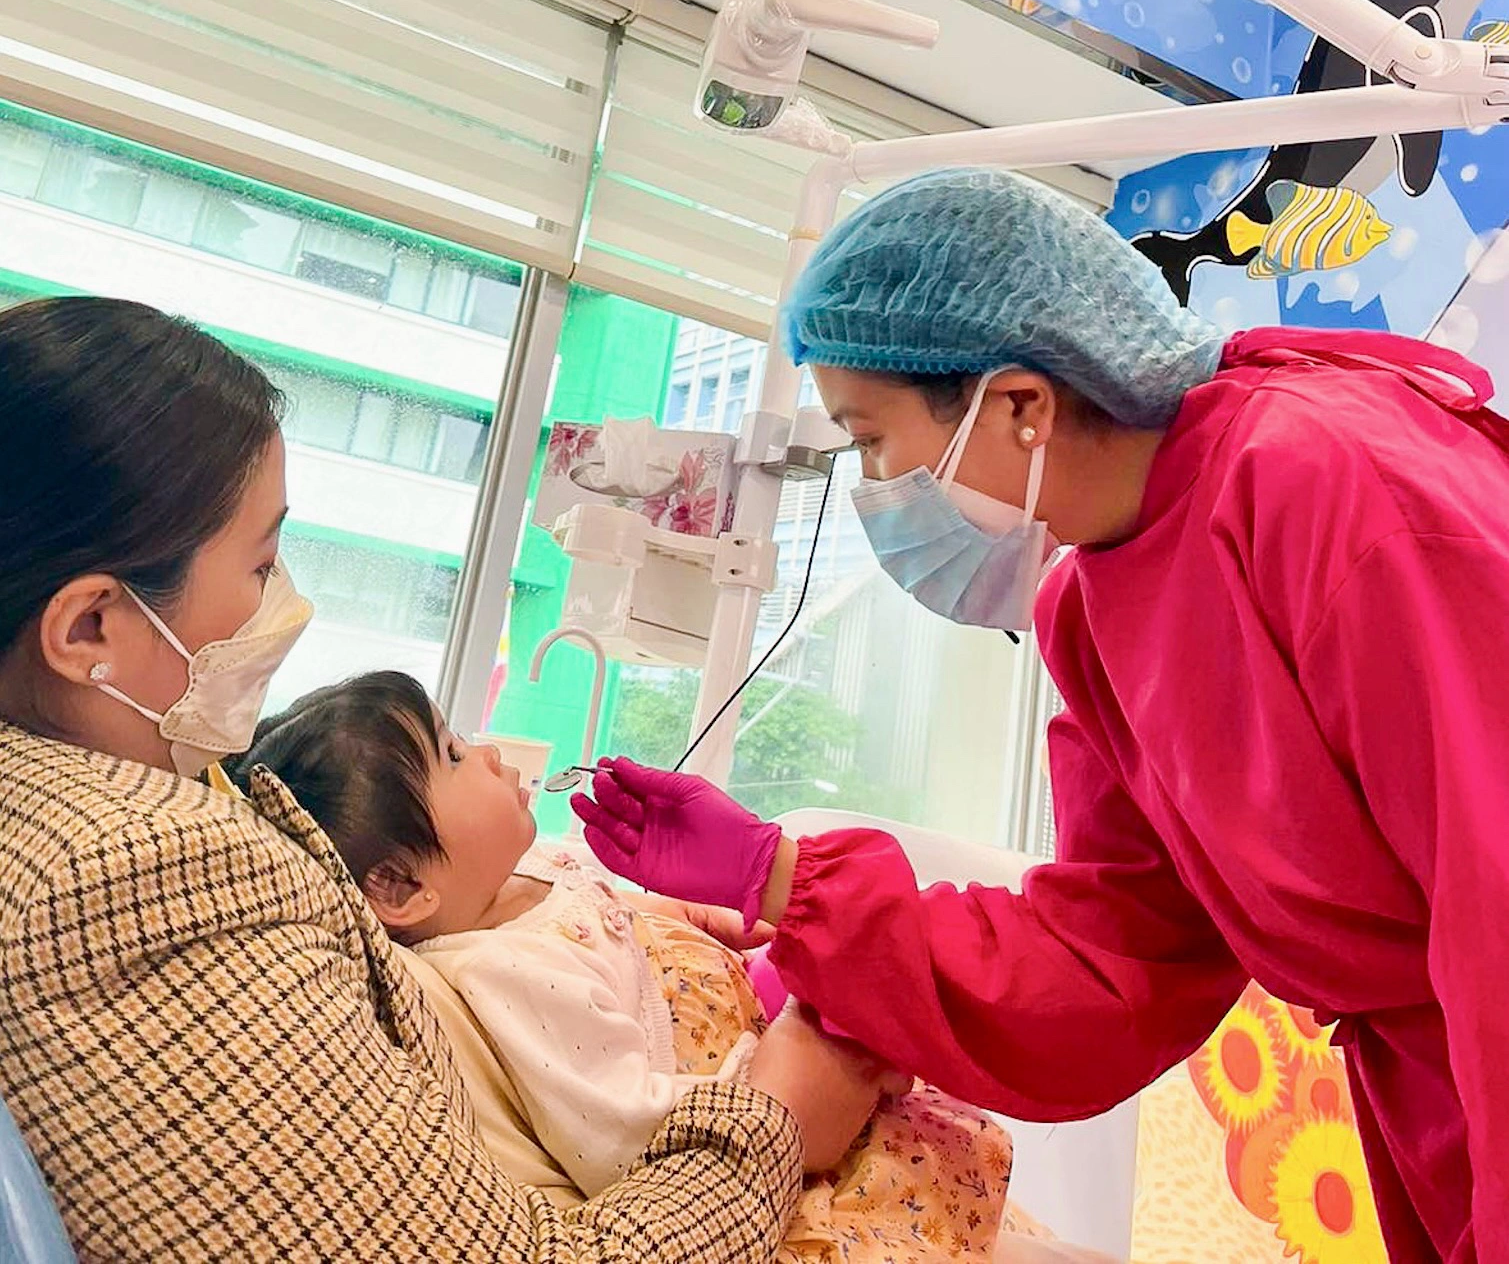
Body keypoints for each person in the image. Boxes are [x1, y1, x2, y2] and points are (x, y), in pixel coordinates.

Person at [573, 168, 1509, 1264]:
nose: (874, 488)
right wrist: (791, 886)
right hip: (1433, 1100)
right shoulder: (1092, 603)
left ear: (1020, 404)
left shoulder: (1333, 485)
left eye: (871, 442)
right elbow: (1114, 959)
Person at [0, 295, 890, 1263]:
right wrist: (779, 1118)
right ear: (89, 628)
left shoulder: (115, 796)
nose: (285, 602)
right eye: (261, 565)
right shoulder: (127, 881)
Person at [234, 670, 1024, 1264]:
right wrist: (792, 1057)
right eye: (452, 753)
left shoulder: (523, 871)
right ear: (401, 885)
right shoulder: (499, 979)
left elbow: (598, 913)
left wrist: (692, 918)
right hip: (758, 1115)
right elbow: (625, 1130)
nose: (489, 751)